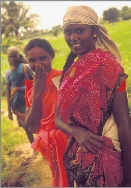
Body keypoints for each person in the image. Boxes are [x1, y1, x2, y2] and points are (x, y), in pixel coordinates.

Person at [55, 5, 131, 187]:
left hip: (108, 163)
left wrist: (129, 179)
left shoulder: (109, 67)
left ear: (95, 31)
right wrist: (75, 131)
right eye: (68, 32)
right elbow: (57, 118)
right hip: (80, 162)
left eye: (80, 31)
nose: (73, 38)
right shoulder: (71, 71)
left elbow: (124, 124)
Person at [24, 38, 68, 187]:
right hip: (51, 146)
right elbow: (31, 126)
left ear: (51, 56)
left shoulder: (64, 79)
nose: (38, 64)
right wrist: (37, 92)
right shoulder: (31, 89)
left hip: (71, 140)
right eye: (32, 60)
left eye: (43, 58)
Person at [5, 46, 35, 149]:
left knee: (35, 123)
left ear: (19, 56)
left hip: (30, 100)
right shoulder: (8, 73)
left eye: (15, 56)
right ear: (8, 58)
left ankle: (43, 145)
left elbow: (36, 81)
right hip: (17, 103)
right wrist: (9, 110)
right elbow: (9, 92)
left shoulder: (26, 67)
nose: (13, 58)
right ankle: (34, 147)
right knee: (25, 126)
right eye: (10, 56)